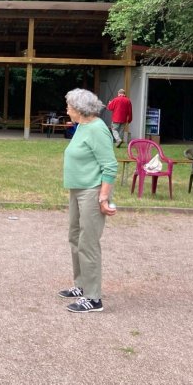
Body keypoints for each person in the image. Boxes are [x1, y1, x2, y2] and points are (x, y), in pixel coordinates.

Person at [59, 88, 117, 313]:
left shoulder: (97, 129)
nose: (67, 109)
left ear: (80, 109)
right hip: (77, 189)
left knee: (88, 242)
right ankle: (81, 285)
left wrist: (103, 197)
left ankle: (93, 298)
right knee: (75, 237)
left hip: (92, 192)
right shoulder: (82, 126)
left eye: (69, 106)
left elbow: (109, 165)